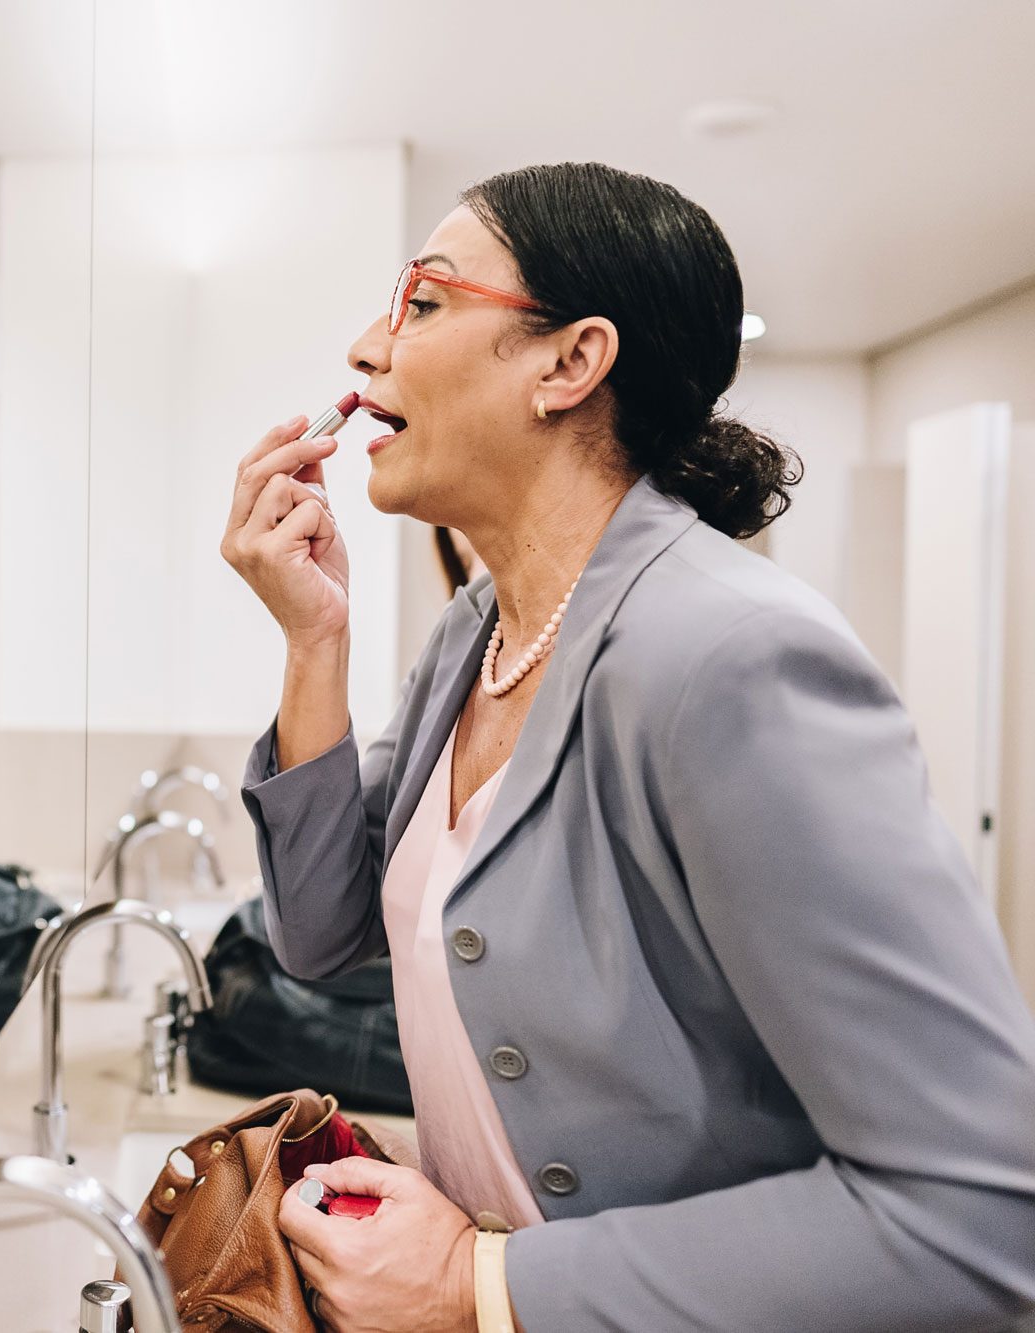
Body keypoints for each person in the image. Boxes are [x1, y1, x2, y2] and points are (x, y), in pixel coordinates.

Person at [221, 162, 1035, 1330]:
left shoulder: (731, 656)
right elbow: (316, 931)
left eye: (424, 302)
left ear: (569, 361)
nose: (364, 346)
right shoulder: (474, 633)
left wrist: (476, 1283)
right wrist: (313, 643)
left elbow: (975, 1208)